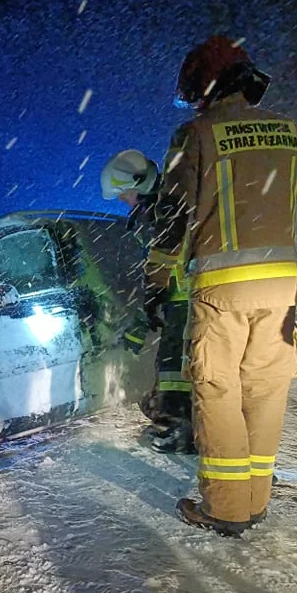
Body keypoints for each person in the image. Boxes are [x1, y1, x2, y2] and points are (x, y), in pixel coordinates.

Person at [152, 36, 297, 536]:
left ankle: (225, 508)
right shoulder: (288, 132)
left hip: (222, 291)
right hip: (281, 292)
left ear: (205, 86)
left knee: (218, 392)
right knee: (265, 391)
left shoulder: (197, 134)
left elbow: (173, 217)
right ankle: (254, 499)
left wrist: (157, 279)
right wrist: (290, 191)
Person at [100, 150, 194, 453]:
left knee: (174, 367)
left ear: (137, 185)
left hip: (183, 295)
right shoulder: (170, 200)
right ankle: (181, 425)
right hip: (180, 294)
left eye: (122, 193)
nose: (122, 200)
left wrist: (153, 294)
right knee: (176, 364)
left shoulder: (164, 208)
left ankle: (183, 432)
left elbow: (163, 256)